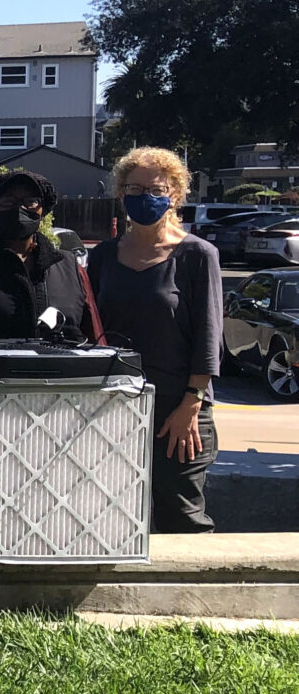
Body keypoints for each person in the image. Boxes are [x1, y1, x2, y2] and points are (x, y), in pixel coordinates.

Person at [89, 147, 222, 533]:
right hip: (115, 405)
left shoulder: (198, 255)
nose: (144, 195)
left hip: (178, 410)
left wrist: (191, 405)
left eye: (155, 187)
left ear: (175, 194)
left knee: (181, 517)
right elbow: (91, 330)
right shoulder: (104, 257)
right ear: (120, 194)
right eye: (134, 187)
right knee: (115, 514)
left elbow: (209, 338)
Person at [0, 170, 102, 343]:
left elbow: (97, 343)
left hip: (68, 369)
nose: (20, 209)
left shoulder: (70, 268)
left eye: (31, 201)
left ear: (43, 211)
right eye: (8, 201)